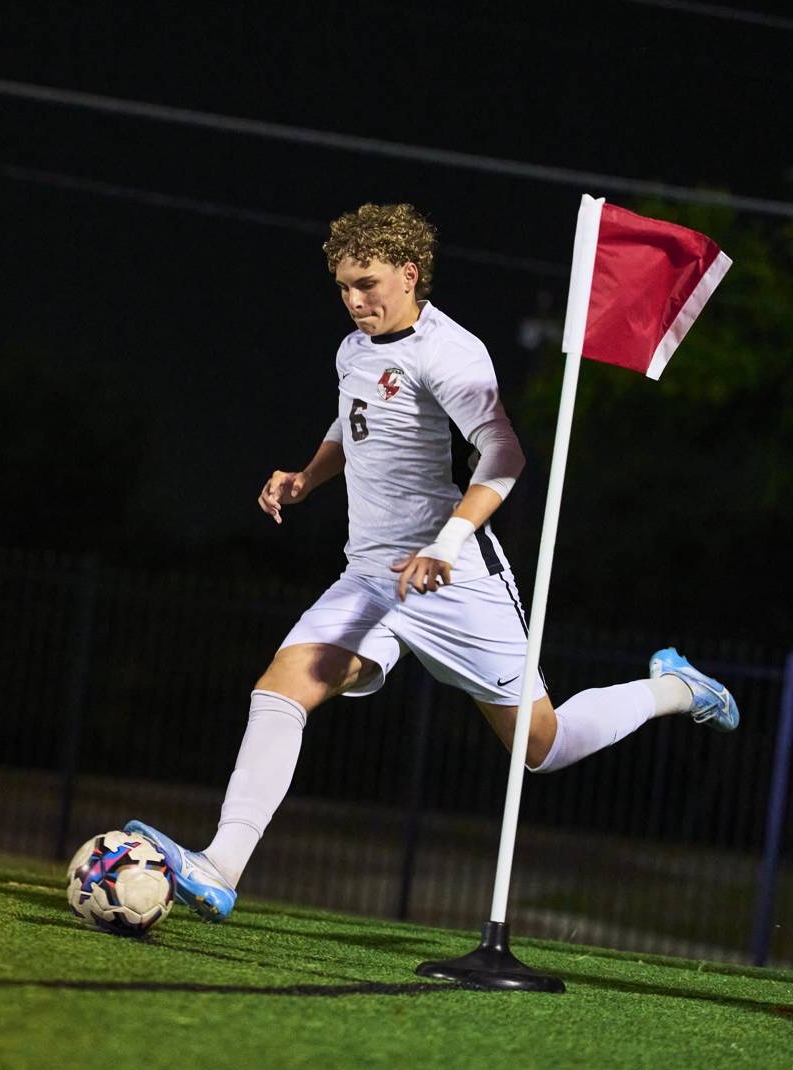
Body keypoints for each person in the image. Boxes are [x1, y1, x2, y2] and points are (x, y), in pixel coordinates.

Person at [125, 202, 739, 922]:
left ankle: (675, 689)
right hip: (370, 575)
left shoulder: (451, 352)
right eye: (345, 288)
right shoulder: (354, 348)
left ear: (409, 274)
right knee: (285, 683)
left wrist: (445, 543)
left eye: (369, 284)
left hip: (455, 580)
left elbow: (505, 452)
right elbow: (350, 420)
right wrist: (305, 477)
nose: (356, 301)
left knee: (541, 747)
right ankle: (221, 866)